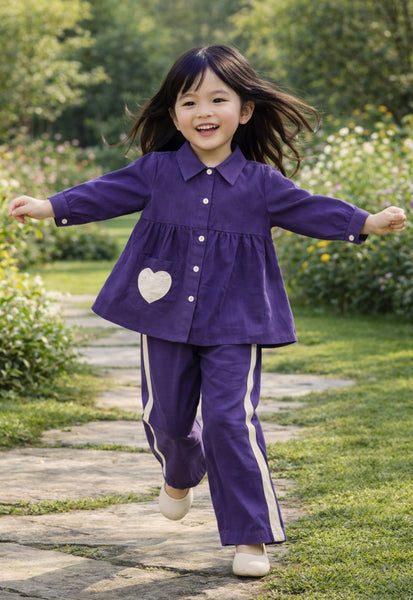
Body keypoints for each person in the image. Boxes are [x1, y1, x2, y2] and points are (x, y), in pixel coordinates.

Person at [8, 45, 406, 578]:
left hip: (236, 320)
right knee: (167, 420)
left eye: (218, 99)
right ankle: (181, 470)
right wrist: (50, 206)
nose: (204, 111)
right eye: (189, 101)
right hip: (163, 313)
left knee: (229, 420)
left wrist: (365, 222)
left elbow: (309, 208)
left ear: (245, 110)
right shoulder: (157, 172)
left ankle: (250, 536)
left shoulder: (262, 184)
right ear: (174, 115)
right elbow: (106, 192)